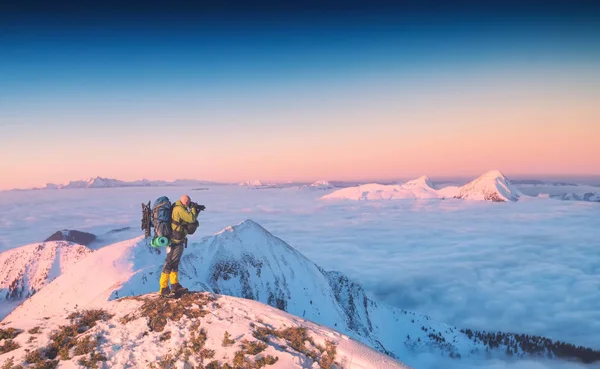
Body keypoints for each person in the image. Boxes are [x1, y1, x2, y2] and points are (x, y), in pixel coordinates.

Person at [159, 194, 199, 296]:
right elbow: (191, 219)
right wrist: (194, 209)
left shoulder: (179, 207)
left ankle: (175, 285)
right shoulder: (179, 209)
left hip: (177, 240)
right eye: (189, 203)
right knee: (169, 263)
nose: (189, 205)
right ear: (186, 202)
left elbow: (186, 220)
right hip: (174, 242)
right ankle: (163, 288)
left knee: (174, 263)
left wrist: (195, 210)